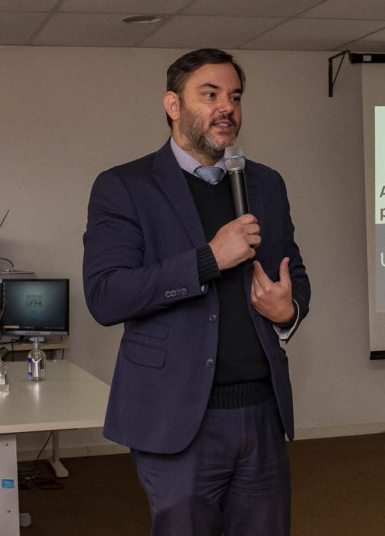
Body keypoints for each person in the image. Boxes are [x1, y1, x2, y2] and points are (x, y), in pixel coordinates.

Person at [83, 48, 310, 536]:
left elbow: (294, 273)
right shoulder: (125, 186)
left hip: (260, 413)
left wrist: (287, 310)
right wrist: (209, 259)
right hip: (175, 417)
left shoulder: (265, 184)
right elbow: (106, 295)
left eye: (235, 97)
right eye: (210, 95)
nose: (226, 107)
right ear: (173, 105)